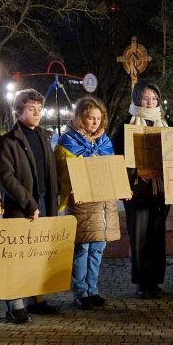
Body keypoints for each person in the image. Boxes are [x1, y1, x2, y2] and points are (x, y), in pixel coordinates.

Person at [0, 89, 61, 323]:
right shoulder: (7, 141)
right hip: (20, 207)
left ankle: (37, 300)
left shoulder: (45, 136)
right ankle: (15, 304)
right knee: (17, 257)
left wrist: (54, 201)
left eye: (40, 109)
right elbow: (6, 177)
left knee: (38, 254)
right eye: (31, 109)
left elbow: (49, 172)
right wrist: (29, 203)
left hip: (44, 201)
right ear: (18, 111)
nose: (37, 113)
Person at [56, 96, 120, 309]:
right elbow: (61, 173)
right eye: (90, 118)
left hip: (102, 205)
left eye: (98, 119)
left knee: (98, 247)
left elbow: (113, 171)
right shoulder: (67, 142)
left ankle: (92, 290)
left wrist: (120, 187)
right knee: (82, 248)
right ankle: (80, 292)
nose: (94, 122)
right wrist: (70, 187)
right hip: (82, 204)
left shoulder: (105, 142)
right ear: (80, 118)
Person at [116, 81, 171, 299]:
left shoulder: (168, 124)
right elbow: (117, 157)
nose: (149, 102)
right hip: (137, 192)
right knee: (139, 237)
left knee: (157, 237)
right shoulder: (125, 125)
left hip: (160, 191)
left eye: (154, 98)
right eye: (145, 98)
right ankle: (141, 281)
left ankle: (155, 280)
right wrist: (137, 172)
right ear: (137, 98)